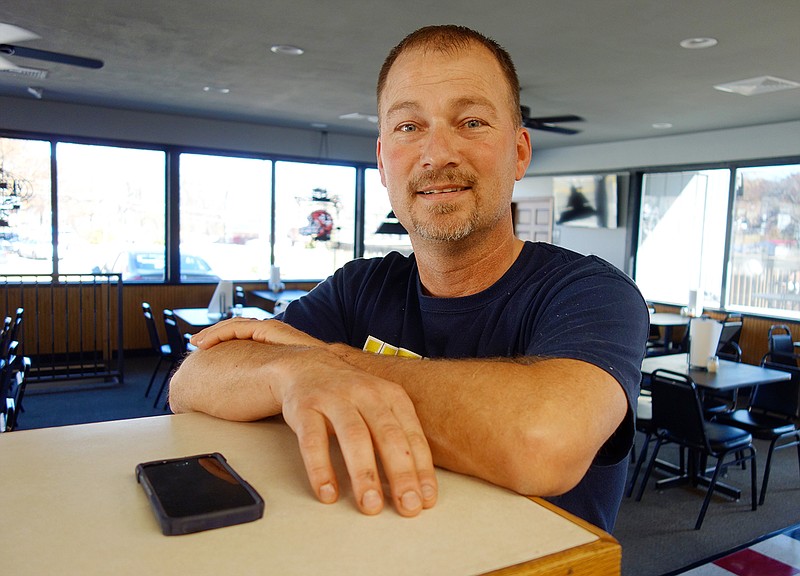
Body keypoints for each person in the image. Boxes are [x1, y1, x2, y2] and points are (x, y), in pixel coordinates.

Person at [169, 24, 649, 532]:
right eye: (408, 127)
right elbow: (193, 380)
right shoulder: (359, 288)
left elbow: (541, 441)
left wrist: (325, 364)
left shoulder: (593, 293)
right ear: (381, 161)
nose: (437, 154)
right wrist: (291, 374)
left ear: (520, 153)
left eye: (471, 122)